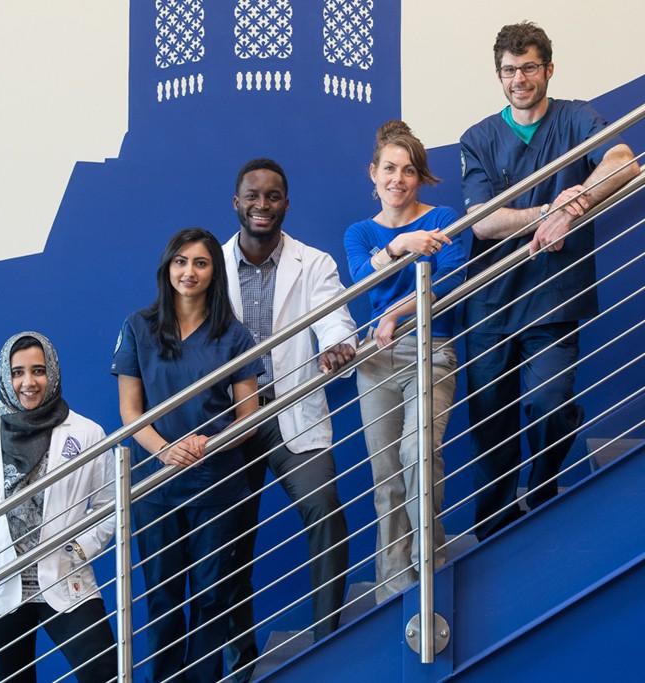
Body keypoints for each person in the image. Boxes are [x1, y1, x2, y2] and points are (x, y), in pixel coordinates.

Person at [459, 22, 639, 540]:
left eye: (529, 67)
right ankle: (492, 528)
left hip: (553, 296)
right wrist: (548, 213)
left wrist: (577, 201)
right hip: (491, 303)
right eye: (510, 70)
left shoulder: (575, 117)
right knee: (491, 423)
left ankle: (540, 490)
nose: (520, 79)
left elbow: (624, 160)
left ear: (548, 70)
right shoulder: (479, 138)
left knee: (550, 399)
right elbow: (483, 222)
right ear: (499, 75)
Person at [223, 158, 357, 680]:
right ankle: (240, 661)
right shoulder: (209, 262)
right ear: (236, 203)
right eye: (252, 196)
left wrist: (337, 347)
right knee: (229, 542)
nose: (262, 205)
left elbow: (334, 317)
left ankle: (330, 642)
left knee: (326, 512)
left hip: (291, 410)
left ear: (286, 203)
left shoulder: (313, 262)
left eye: (273, 196)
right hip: (231, 420)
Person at [112, 227, 263, 682]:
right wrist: (166, 451)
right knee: (162, 596)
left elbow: (249, 415)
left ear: (214, 272)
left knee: (213, 595)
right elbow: (130, 411)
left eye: (200, 263)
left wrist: (208, 444)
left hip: (217, 484)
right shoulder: (138, 327)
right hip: (157, 488)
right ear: (167, 268)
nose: (189, 272)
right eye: (181, 261)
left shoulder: (233, 335)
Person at [0, 331, 117, 683]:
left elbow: (108, 503)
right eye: (17, 372)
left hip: (63, 574)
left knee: (104, 671)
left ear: (54, 373)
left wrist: (80, 546)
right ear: (4, 375)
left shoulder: (88, 432)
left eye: (38, 370)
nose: (28, 382)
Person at [343, 120, 466, 603]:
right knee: (387, 478)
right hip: (375, 362)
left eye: (409, 170)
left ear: (420, 178)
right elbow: (359, 281)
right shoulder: (360, 232)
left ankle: (429, 569)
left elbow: (452, 282)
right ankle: (394, 589)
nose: (398, 179)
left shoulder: (443, 219)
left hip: (428, 349)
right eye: (389, 169)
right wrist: (399, 247)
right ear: (372, 174)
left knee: (418, 454)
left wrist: (397, 311)